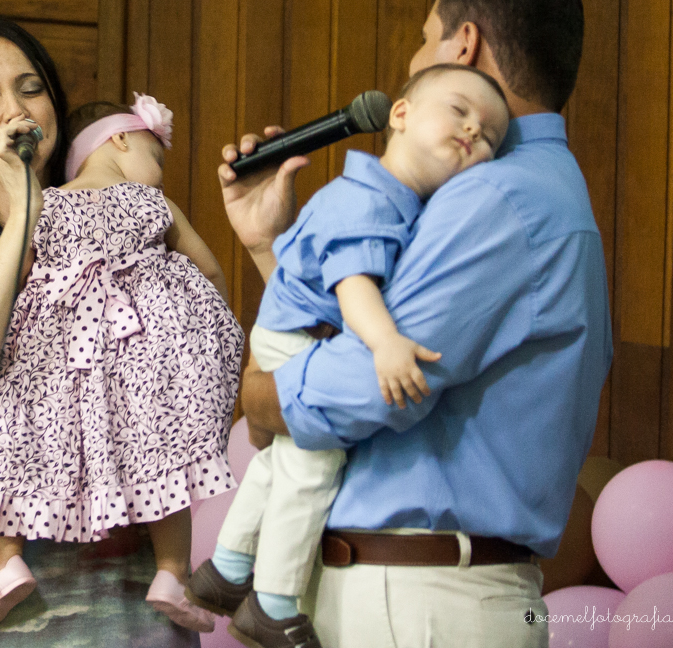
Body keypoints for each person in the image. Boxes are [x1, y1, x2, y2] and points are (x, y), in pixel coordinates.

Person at [215, 0, 613, 648]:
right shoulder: (532, 189)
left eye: (424, 37)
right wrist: (268, 245)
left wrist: (260, 397)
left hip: (419, 602)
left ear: (464, 44)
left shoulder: (498, 195)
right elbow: (359, 333)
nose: (414, 57)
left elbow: (381, 382)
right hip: (415, 593)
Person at [0, 53, 243, 634]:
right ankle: (169, 571)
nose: (14, 109)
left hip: (122, 585)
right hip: (32, 599)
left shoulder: (56, 209)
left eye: (31, 89)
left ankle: (16, 567)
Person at [188, 64, 512, 647]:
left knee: (282, 462)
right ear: (401, 115)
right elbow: (353, 283)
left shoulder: (402, 203)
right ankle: (274, 601)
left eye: (489, 136)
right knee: (314, 468)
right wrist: (387, 342)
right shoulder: (372, 198)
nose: (473, 132)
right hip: (295, 334)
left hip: (295, 329)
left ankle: (227, 570)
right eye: (459, 111)